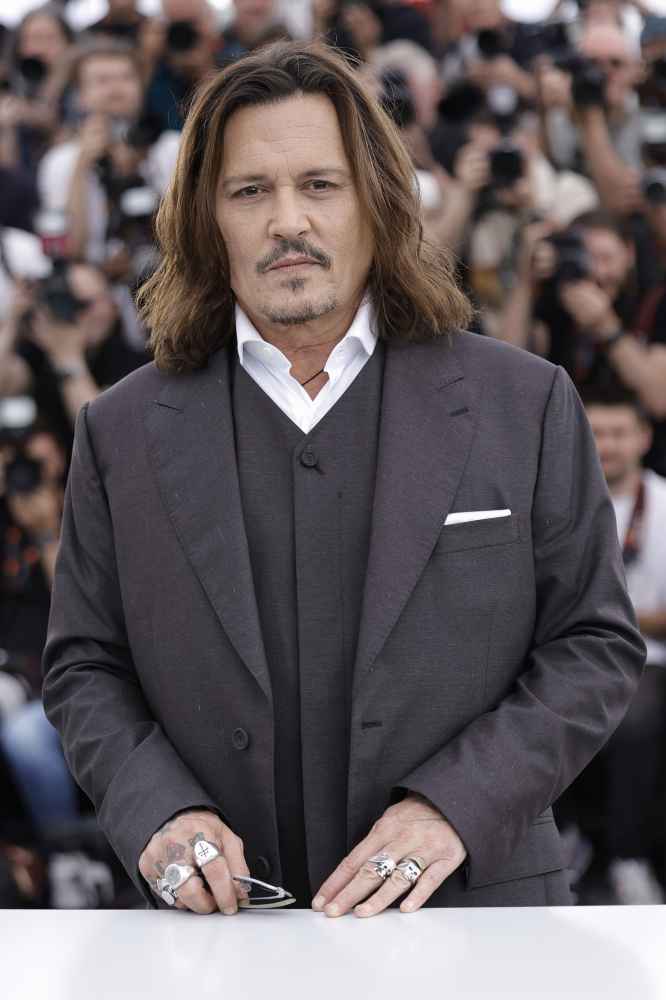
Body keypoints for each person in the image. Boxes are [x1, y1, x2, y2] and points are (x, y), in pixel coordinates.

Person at [42, 40, 645, 918]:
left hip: (477, 924)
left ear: (376, 201)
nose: (288, 220)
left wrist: (455, 808)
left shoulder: (526, 401)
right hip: (215, 936)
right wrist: (160, 813)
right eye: (250, 191)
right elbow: (84, 664)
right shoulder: (118, 429)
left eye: (320, 185)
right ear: (207, 218)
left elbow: (593, 644)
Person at [580, 384, 666, 903]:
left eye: (618, 433)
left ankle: (628, 856)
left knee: (634, 718)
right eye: (596, 433)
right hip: (565, 654)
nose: (607, 445)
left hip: (646, 659)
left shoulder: (665, 504)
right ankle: (559, 845)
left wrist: (607, 616)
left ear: (644, 437)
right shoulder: (558, 493)